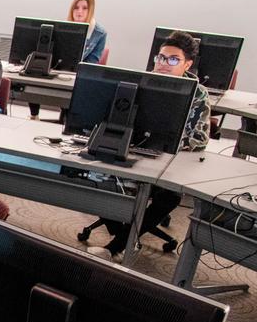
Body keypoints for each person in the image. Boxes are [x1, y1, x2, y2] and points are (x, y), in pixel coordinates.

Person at [86, 30, 209, 261]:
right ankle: (126, 237)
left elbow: (200, 138)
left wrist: (166, 142)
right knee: (96, 177)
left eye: (173, 59)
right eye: (161, 58)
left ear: (187, 64)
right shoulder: (141, 83)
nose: (164, 64)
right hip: (135, 152)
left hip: (169, 160)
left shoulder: (198, 94)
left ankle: (117, 245)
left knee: (170, 197)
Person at [29, 0, 107, 120]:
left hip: (77, 74)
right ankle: (34, 115)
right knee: (34, 76)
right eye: (76, 8)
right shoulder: (61, 27)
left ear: (90, 10)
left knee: (79, 88)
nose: (79, 11)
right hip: (57, 69)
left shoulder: (99, 33)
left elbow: (92, 62)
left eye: (84, 8)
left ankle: (65, 120)